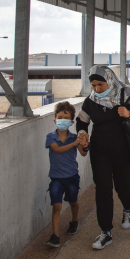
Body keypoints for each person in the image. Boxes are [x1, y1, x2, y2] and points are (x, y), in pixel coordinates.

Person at [76, 65, 130, 250]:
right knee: (102, 188)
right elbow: (81, 121)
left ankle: (127, 209)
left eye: (100, 84)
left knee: (122, 185)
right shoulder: (90, 101)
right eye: (93, 85)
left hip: (123, 150)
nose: (97, 89)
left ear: (109, 80)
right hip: (99, 150)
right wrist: (83, 134)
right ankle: (105, 232)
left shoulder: (126, 95)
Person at [46, 101, 88, 248]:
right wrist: (75, 143)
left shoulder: (74, 138)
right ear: (54, 119)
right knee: (56, 206)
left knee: (73, 202)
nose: (61, 120)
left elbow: (83, 153)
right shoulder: (51, 137)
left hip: (71, 177)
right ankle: (55, 236)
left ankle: (74, 220)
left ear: (71, 121)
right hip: (56, 178)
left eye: (65, 118)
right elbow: (57, 150)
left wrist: (84, 144)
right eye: (59, 117)